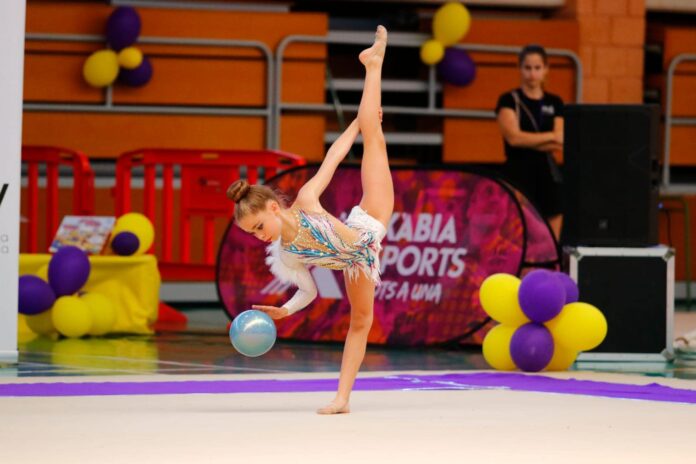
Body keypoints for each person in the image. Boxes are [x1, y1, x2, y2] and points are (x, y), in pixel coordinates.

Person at [226, 26, 392, 415]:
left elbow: (333, 158)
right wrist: (285, 311)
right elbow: (309, 291)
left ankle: (373, 64)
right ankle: (342, 399)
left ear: (273, 208)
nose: (259, 236)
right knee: (360, 323)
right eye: (252, 234)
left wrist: (357, 124)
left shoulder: (305, 201)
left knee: (373, 133)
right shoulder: (288, 254)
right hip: (357, 262)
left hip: (370, 221)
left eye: (258, 227)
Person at [495, 44, 564, 239]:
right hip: (518, 168)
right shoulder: (509, 100)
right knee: (518, 222)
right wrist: (550, 136)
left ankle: (552, 257)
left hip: (547, 169)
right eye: (527, 68)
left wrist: (532, 138)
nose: (532, 74)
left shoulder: (555, 102)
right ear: (520, 68)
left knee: (553, 222)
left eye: (537, 68)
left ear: (546, 69)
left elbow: (560, 141)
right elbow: (513, 138)